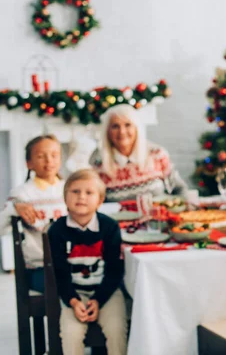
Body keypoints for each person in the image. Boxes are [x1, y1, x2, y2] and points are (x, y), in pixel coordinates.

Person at [48, 169, 127, 355]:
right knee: (70, 334)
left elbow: (115, 270)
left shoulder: (110, 227)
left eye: (89, 192)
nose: (81, 197)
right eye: (75, 191)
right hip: (74, 294)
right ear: (65, 197)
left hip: (106, 293)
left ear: (100, 200)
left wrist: (98, 300)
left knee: (117, 330)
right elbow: (59, 273)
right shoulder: (57, 231)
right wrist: (74, 302)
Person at [0, 134, 67, 292]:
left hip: (72, 262)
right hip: (39, 267)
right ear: (29, 163)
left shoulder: (71, 189)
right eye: (40, 156)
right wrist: (14, 207)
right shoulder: (22, 194)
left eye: (54, 155)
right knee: (65, 285)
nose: (49, 161)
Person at [91, 104, 188, 202]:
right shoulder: (98, 161)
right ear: (107, 131)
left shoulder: (156, 154)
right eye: (115, 126)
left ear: (137, 128)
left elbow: (180, 190)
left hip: (158, 216)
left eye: (127, 125)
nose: (122, 132)